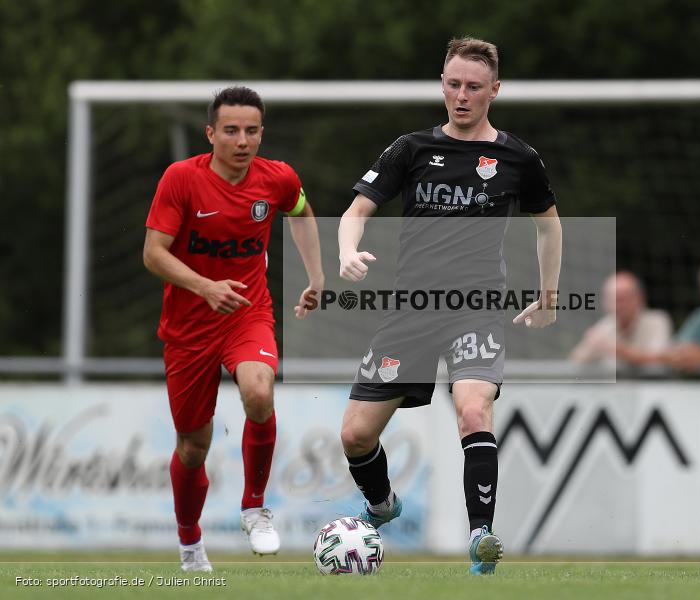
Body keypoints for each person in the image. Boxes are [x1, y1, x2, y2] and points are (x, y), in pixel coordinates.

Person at [337, 37, 562, 575]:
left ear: (495, 91)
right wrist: (347, 249)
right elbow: (355, 210)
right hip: (411, 313)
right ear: (443, 84)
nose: (461, 96)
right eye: (453, 84)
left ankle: (481, 536)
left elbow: (548, 225)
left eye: (474, 87)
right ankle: (382, 505)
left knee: (472, 409)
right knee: (355, 435)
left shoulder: (517, 158)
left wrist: (549, 294)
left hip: (476, 309)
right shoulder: (411, 148)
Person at [143, 86, 324, 572]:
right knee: (192, 445)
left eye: (251, 130)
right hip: (188, 330)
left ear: (261, 132)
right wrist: (204, 286)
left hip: (247, 312)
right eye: (231, 130)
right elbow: (153, 254)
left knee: (259, 392)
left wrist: (316, 276)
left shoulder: (277, 179)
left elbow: (302, 211)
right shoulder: (181, 179)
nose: (242, 140)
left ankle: (254, 507)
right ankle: (189, 544)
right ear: (211, 133)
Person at [569, 271, 672, 366]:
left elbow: (660, 358)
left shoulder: (658, 321)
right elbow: (575, 361)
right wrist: (590, 346)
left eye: (622, 299)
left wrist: (615, 348)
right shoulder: (605, 326)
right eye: (612, 299)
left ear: (639, 299)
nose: (617, 305)